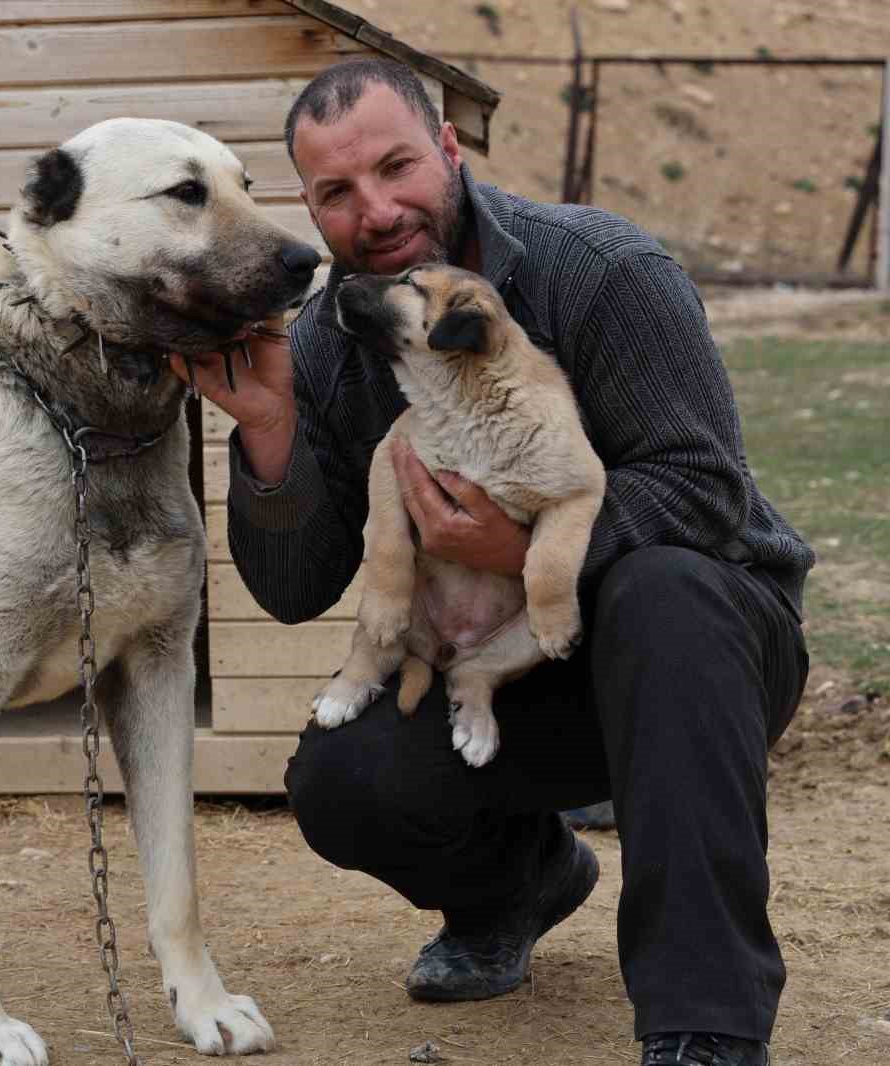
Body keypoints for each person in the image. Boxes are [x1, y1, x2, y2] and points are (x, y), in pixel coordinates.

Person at [173, 58, 812, 1066]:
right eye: (336, 192)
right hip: (503, 674)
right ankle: (517, 888)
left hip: (703, 657)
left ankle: (706, 1024)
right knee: (343, 775)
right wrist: (268, 427)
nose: (374, 210)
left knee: (666, 588)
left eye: (396, 167)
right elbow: (294, 590)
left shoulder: (599, 269)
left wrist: (524, 550)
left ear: (450, 149)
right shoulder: (335, 347)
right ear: (310, 205)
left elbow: (702, 489)